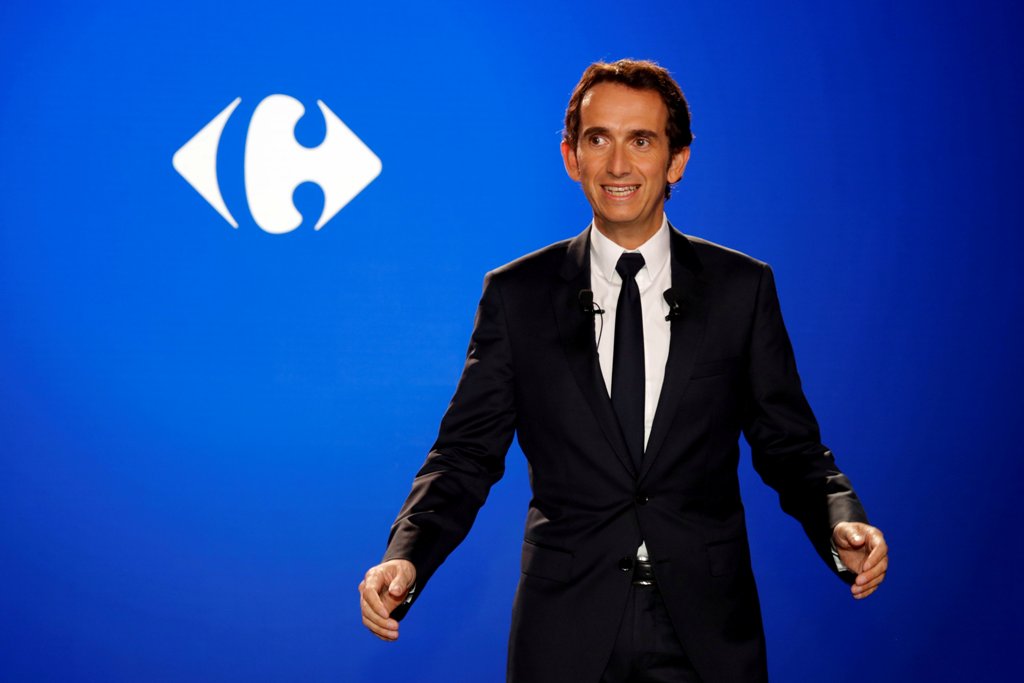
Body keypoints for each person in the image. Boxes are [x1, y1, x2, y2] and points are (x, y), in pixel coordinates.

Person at [358, 59, 888, 683]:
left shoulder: (741, 289)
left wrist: (841, 519)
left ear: (677, 159)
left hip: (708, 631)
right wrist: (406, 556)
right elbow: (464, 456)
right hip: (564, 631)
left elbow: (791, 447)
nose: (617, 165)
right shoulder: (517, 295)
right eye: (597, 139)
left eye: (641, 140)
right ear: (571, 157)